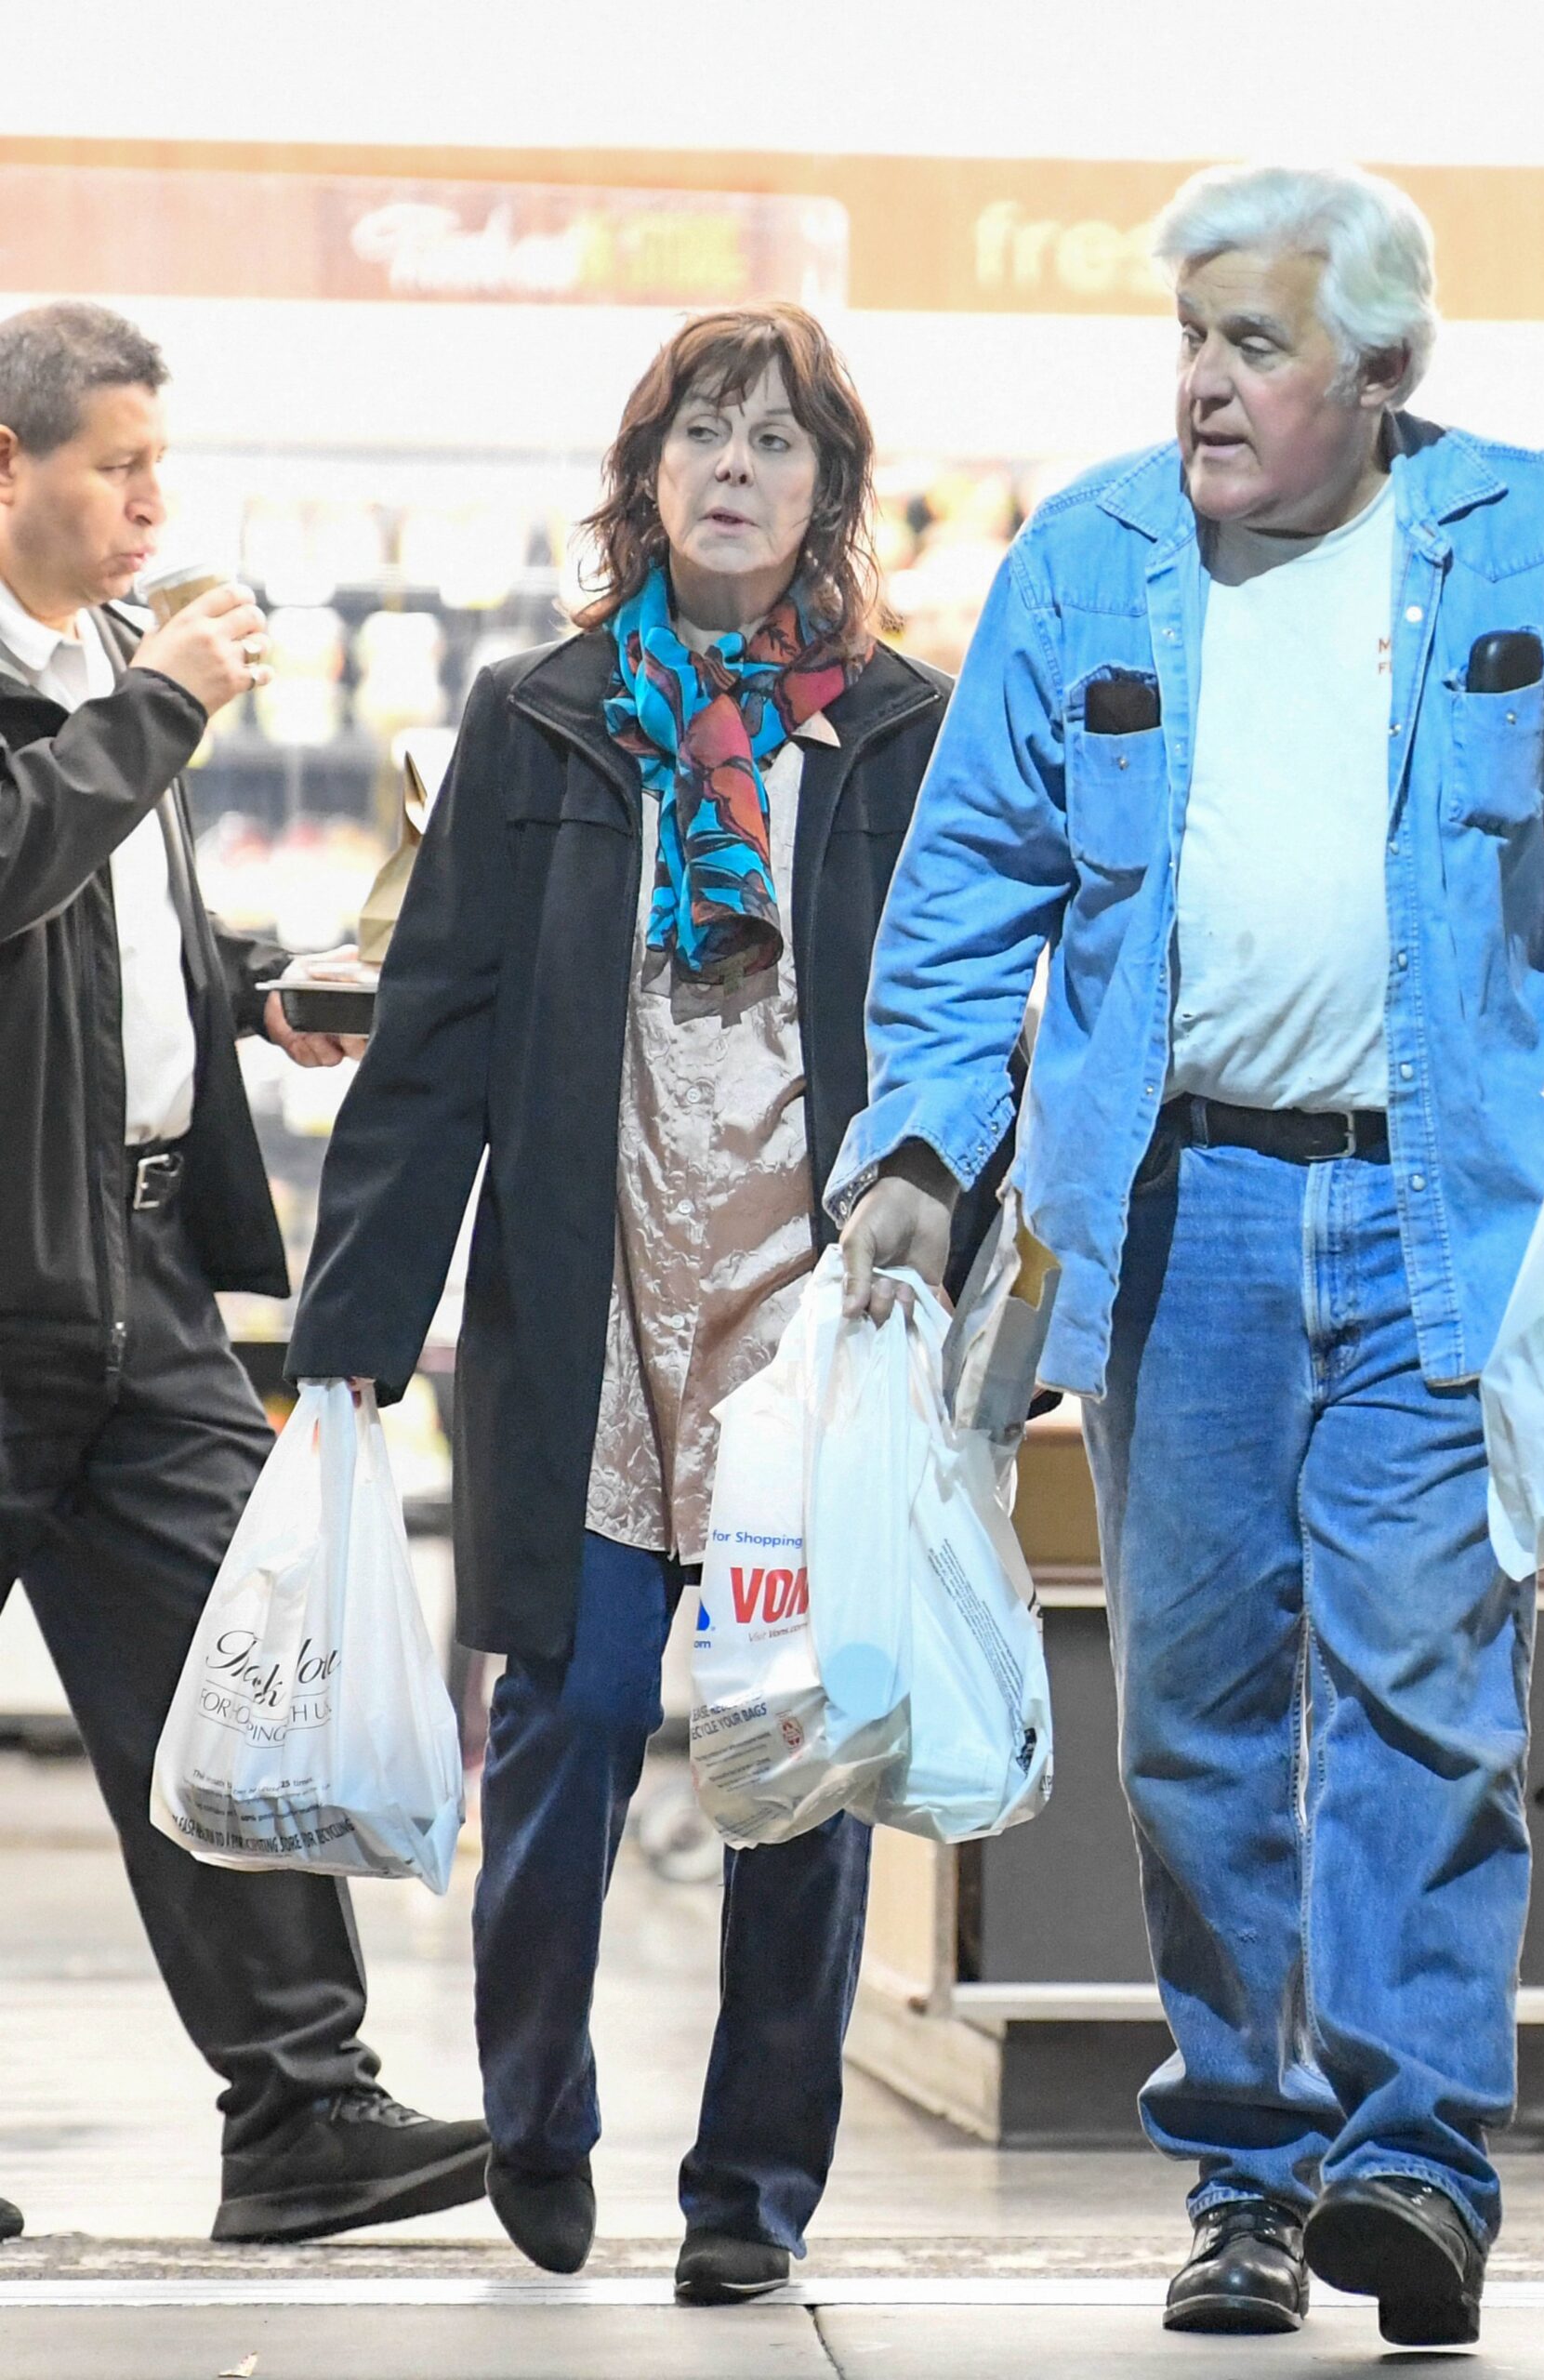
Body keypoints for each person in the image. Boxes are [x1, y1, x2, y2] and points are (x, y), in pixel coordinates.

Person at [831, 165, 1544, 2347]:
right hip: (1177, 1216)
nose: (1204, 386)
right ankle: (1247, 2166)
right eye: (1190, 339)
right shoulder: (1088, 561)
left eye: (1255, 345)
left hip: (1450, 1213)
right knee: (1202, 1714)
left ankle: (1418, 2167)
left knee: (1431, 1697)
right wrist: (919, 1147)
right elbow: (966, 887)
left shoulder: (1521, 534)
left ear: (1382, 371)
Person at [288, 305, 994, 2298]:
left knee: (797, 1754)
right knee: (575, 1712)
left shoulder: (903, 732)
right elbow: (431, 1047)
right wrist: (347, 1339)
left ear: (826, 487)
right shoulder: (542, 717)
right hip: (589, 1301)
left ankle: (750, 2188)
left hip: (815, 1312)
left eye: (778, 436)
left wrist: (970, 1286)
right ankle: (536, 2111)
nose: (738, 463)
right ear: (648, 470)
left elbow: (961, 1030)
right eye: (705, 427)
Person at [0, 300, 488, 2241]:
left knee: (236, 1671)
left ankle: (300, 2109)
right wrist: (163, 713)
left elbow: (110, 926)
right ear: (9, 466)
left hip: (134, 1274)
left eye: (154, 462)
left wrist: (251, 990)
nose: (149, 500)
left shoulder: (124, 661)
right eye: (116, 463)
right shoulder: (141, 691)